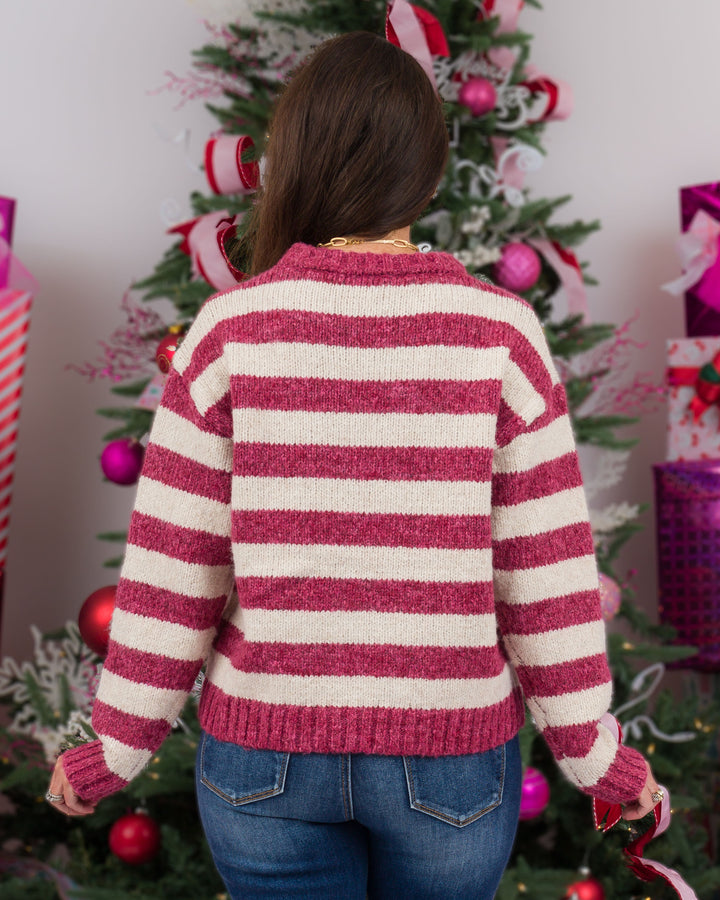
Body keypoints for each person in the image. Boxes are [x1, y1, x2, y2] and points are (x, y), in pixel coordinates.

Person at [47, 30, 662, 899]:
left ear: (290, 157)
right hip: (449, 759)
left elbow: (172, 571)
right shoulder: (502, 337)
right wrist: (595, 752)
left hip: (263, 760)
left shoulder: (227, 333)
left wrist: (115, 747)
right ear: (431, 172)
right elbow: (546, 574)